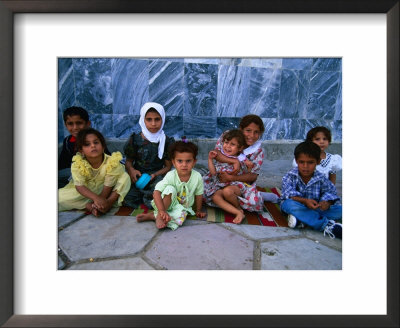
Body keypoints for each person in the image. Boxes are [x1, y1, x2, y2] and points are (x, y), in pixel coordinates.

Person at [58, 128, 131, 216]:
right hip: (86, 193)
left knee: (125, 178)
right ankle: (90, 206)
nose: (93, 146)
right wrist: (96, 199)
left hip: (106, 191)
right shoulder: (78, 164)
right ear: (81, 151)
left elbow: (108, 185)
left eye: (96, 142)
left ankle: (108, 204)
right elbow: (80, 186)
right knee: (59, 198)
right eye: (87, 144)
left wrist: (101, 201)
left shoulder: (112, 162)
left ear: (103, 146)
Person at [136, 140, 206, 230]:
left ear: (194, 162)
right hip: (167, 204)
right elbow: (156, 192)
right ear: (173, 162)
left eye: (188, 161)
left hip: (183, 207)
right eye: (180, 161)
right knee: (169, 189)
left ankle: (153, 216)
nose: (184, 165)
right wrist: (161, 211)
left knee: (181, 216)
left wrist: (199, 210)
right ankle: (160, 216)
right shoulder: (170, 176)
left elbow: (199, 194)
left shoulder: (197, 176)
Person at [280, 141, 342, 239]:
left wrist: (327, 203)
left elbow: (331, 192)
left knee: (340, 210)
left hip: (316, 207)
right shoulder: (290, 176)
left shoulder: (321, 178)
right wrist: (305, 201)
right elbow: (288, 194)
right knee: (288, 204)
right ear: (296, 161)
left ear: (318, 161)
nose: (305, 166)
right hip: (297, 205)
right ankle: (327, 225)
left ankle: (302, 220)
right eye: (302, 162)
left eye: (310, 162)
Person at [203, 129, 263, 224]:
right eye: (226, 143)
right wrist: (210, 160)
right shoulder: (220, 155)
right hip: (218, 185)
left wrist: (249, 165)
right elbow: (213, 173)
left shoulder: (241, 157)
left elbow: (249, 170)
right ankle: (238, 212)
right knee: (215, 197)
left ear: (240, 148)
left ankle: (238, 207)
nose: (228, 146)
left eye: (232, 144)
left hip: (235, 185)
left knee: (227, 192)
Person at [123, 102, 174, 209]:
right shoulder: (135, 139)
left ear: (163, 119)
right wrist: (132, 171)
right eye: (149, 119)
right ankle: (144, 196)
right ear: (143, 120)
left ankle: (149, 197)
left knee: (159, 194)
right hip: (137, 176)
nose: (153, 124)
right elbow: (128, 162)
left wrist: (155, 175)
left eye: (157, 119)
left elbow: (168, 166)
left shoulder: (167, 141)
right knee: (126, 198)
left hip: (156, 176)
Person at [58, 106, 110, 188]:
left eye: (79, 123)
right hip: (75, 173)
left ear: (88, 124)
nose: (75, 128)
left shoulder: (94, 140)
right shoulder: (68, 141)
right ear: (65, 125)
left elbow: (107, 158)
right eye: (70, 124)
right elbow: (62, 163)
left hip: (95, 173)